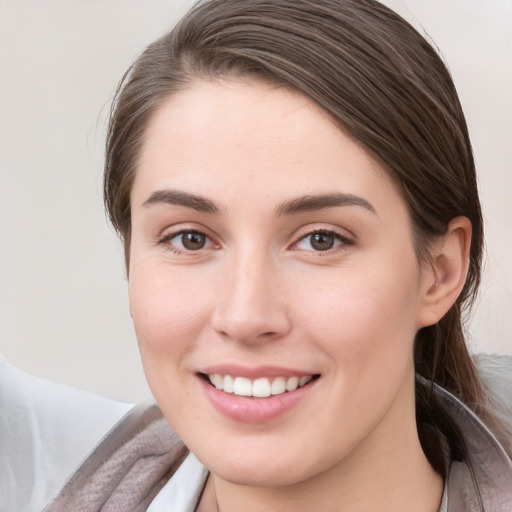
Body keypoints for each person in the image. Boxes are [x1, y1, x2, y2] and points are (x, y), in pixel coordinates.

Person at [2, 0, 511, 511]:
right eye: (190, 238)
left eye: (321, 240)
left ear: (441, 273)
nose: (246, 317)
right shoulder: (44, 474)